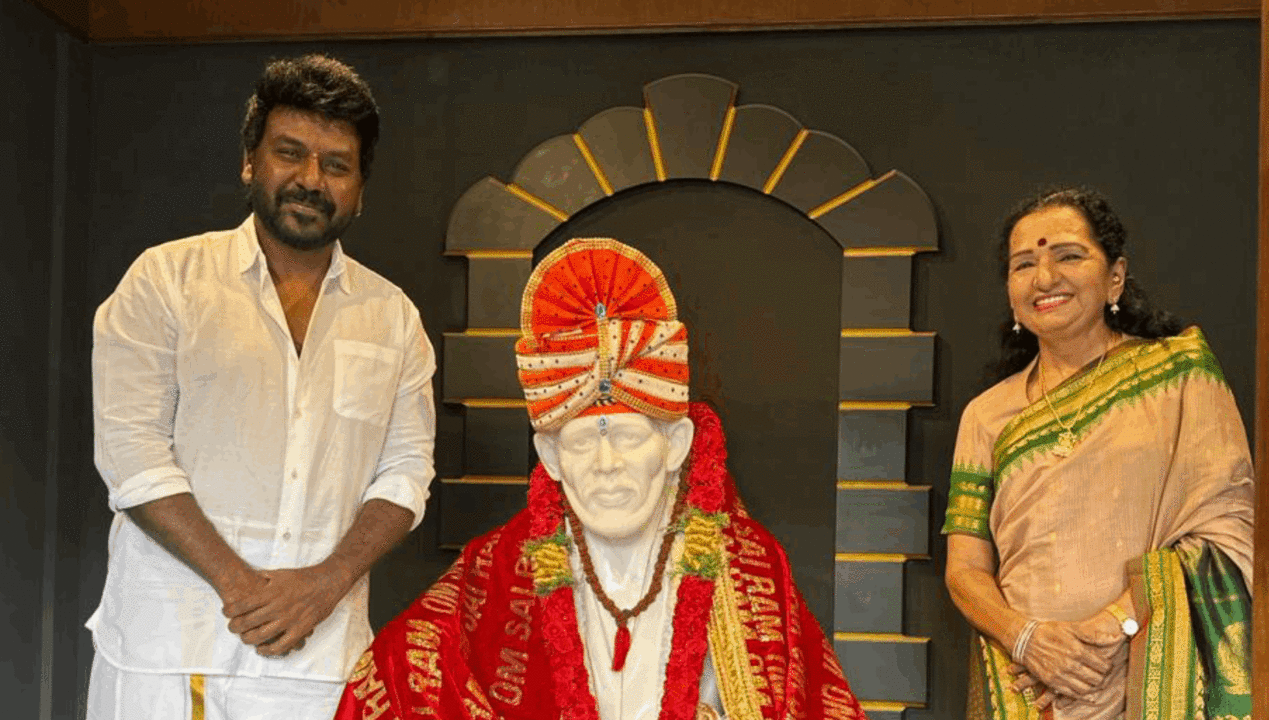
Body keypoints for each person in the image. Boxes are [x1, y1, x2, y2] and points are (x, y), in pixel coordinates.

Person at [333, 238, 865, 720]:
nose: (606, 463)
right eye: (583, 443)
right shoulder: (497, 567)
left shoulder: (752, 565)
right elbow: (401, 674)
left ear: (675, 446)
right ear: (551, 457)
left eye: (630, 438)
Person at [87, 54, 436, 720]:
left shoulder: (392, 317)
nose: (311, 179)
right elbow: (132, 457)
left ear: (361, 188)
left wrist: (324, 586)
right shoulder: (166, 282)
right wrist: (241, 585)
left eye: (337, 165)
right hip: (169, 649)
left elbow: (405, 473)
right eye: (290, 153)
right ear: (251, 161)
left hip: (319, 657)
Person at [943, 187, 1254, 720]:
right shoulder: (985, 415)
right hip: (1027, 685)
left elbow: (1228, 529)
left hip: (1150, 670)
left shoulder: (1179, 376)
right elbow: (965, 569)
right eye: (1024, 265)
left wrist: (1111, 630)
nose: (1045, 278)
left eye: (1068, 255)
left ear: (1115, 276)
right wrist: (1028, 640)